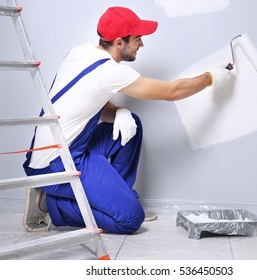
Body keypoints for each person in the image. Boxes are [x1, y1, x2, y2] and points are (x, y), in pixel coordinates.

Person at [23, 6, 232, 234]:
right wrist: (211, 78)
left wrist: (118, 111)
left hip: (62, 149)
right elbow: (172, 91)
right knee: (131, 219)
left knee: (131, 124)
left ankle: (117, 198)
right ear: (120, 42)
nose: (141, 44)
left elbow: (84, 100)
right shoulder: (110, 71)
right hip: (56, 165)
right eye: (138, 39)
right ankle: (50, 204)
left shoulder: (79, 53)